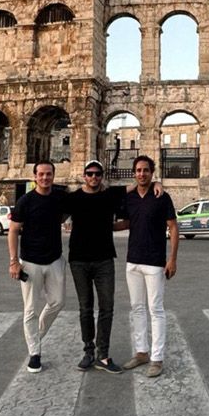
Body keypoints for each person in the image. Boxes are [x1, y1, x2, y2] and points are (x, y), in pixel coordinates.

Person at [66, 160, 129, 374]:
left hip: (104, 260)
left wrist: (156, 184)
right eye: (90, 174)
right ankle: (88, 351)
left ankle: (104, 354)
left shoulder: (110, 195)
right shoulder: (73, 198)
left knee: (107, 307)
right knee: (85, 308)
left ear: (102, 176)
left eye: (97, 174)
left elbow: (137, 186)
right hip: (79, 260)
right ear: (84, 175)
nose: (94, 177)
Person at [120, 156, 178, 378]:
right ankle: (141, 352)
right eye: (138, 170)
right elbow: (126, 222)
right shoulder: (131, 197)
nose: (141, 173)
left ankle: (157, 357)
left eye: (145, 170)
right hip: (133, 260)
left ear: (152, 172)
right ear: (134, 173)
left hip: (155, 261)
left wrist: (172, 259)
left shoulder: (161, 197)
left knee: (156, 309)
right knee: (137, 308)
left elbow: (173, 228)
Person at [8, 161, 68, 372]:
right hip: (31, 261)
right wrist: (14, 262)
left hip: (54, 259)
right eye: (41, 174)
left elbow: (74, 207)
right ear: (35, 177)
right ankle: (35, 353)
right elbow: (13, 231)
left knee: (58, 302)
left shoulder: (60, 197)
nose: (45, 178)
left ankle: (36, 336)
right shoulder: (25, 201)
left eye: (48, 174)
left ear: (53, 175)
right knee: (31, 309)